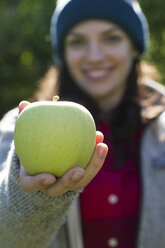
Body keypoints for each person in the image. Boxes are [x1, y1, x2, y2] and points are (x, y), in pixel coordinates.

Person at [1, 0, 165, 247]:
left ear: (134, 47)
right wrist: (29, 197)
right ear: (63, 54)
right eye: (77, 41)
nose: (95, 56)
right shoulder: (18, 127)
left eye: (111, 38)